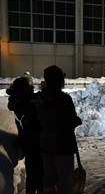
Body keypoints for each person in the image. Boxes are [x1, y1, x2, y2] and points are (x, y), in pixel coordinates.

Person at [36, 65, 82, 194]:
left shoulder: (40, 98)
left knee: (49, 177)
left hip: (45, 144)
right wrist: (77, 120)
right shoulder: (64, 99)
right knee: (65, 178)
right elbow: (70, 120)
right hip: (63, 145)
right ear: (60, 81)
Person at [6, 77, 44, 194]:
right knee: (43, 175)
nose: (33, 88)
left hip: (26, 142)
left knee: (32, 174)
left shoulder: (17, 101)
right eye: (30, 87)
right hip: (37, 141)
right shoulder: (29, 102)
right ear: (24, 90)